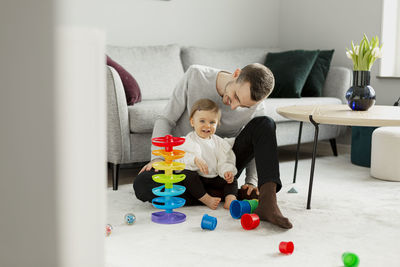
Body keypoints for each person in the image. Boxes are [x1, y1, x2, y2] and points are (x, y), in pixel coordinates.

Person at [134, 63, 293, 229]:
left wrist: (251, 182)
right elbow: (165, 119)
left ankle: (268, 202)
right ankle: (225, 194)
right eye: (236, 97)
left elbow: (255, 144)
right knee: (142, 184)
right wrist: (158, 159)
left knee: (265, 124)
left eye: (243, 106)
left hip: (224, 167)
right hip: (186, 167)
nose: (233, 107)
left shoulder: (256, 105)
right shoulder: (195, 76)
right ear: (236, 74)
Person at [175, 99, 238, 210]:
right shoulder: (187, 141)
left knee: (232, 178)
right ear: (192, 122)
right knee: (187, 175)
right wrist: (194, 159)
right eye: (202, 121)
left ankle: (230, 199)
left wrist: (226, 171)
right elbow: (179, 158)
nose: (207, 126)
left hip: (215, 177)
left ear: (217, 123)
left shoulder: (219, 142)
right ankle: (206, 199)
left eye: (212, 122)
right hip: (198, 178)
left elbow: (225, 159)